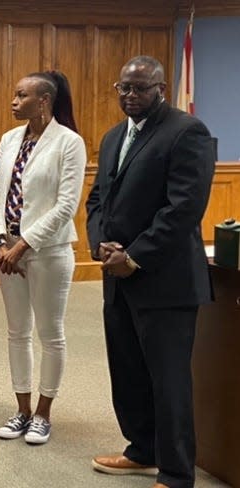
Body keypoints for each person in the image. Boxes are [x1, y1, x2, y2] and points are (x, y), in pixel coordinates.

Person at [86, 56, 215, 488]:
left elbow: (183, 209)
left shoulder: (186, 132)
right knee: (128, 372)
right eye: (124, 88)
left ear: (160, 88)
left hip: (165, 281)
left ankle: (177, 474)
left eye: (140, 88)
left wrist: (134, 256)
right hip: (116, 279)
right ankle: (141, 451)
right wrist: (99, 244)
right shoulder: (112, 137)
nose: (130, 96)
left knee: (169, 380)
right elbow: (97, 201)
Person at [0, 71, 86, 444]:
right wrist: (0, 241)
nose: (13, 101)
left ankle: (43, 413)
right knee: (17, 332)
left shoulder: (69, 143)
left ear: (43, 101)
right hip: (7, 250)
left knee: (50, 334)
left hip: (48, 251)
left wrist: (23, 245)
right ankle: (22, 410)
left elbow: (65, 207)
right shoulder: (10, 139)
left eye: (21, 95)